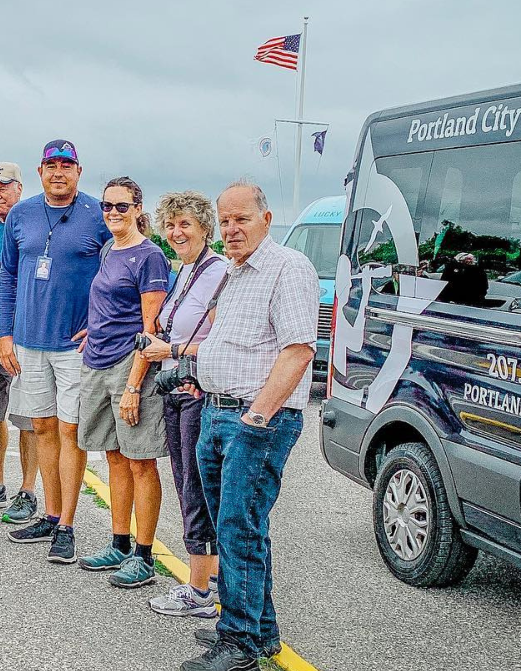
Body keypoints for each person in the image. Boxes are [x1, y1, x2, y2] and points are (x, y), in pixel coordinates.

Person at [179, 180, 318, 671]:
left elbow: (299, 350)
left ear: (266, 218)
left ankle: (237, 641)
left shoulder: (288, 268)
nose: (231, 229)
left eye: (241, 219)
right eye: (225, 220)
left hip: (256, 421)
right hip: (217, 413)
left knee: (240, 528)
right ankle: (260, 631)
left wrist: (257, 417)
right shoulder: (233, 273)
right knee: (236, 528)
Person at [0, 139, 110, 564]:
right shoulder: (21, 215)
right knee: (42, 427)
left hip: (75, 346)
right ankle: (49, 511)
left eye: (67, 165)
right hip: (28, 342)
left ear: (79, 171)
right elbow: (8, 275)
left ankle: (67, 524)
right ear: (40, 171)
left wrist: (99, 325)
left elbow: (117, 273)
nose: (59, 172)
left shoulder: (98, 215)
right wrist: (5, 335)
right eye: (51, 165)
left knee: (70, 430)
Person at [76, 178, 170, 588]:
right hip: (97, 360)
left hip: (129, 368)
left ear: (137, 208)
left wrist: (134, 385)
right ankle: (118, 542)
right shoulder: (108, 249)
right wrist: (92, 330)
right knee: (114, 457)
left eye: (121, 206)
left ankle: (145, 556)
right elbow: (109, 304)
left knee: (140, 461)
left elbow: (151, 330)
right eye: (107, 206)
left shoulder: (151, 257)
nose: (113, 213)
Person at [139, 191, 227, 617]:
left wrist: (169, 350)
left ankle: (201, 592)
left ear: (205, 229)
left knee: (198, 488)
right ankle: (205, 585)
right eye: (171, 226)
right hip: (176, 389)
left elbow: (219, 340)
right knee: (187, 485)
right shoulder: (184, 270)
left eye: (185, 225)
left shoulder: (218, 273)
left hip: (197, 391)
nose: (176, 233)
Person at [0, 161, 40, 523]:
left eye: (4, 187)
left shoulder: (32, 225)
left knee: (29, 417)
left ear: (19, 188)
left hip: (28, 335)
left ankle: (28, 490)